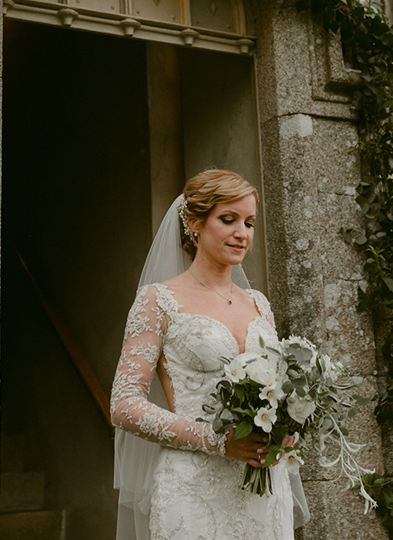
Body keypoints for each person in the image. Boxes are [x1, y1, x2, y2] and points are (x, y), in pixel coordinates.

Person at [111, 170, 309, 540]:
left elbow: (278, 391)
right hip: (193, 489)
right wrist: (218, 442)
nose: (242, 233)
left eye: (249, 223)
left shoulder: (259, 304)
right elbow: (124, 405)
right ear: (194, 223)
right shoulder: (158, 300)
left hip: (263, 490)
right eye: (228, 219)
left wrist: (288, 432)